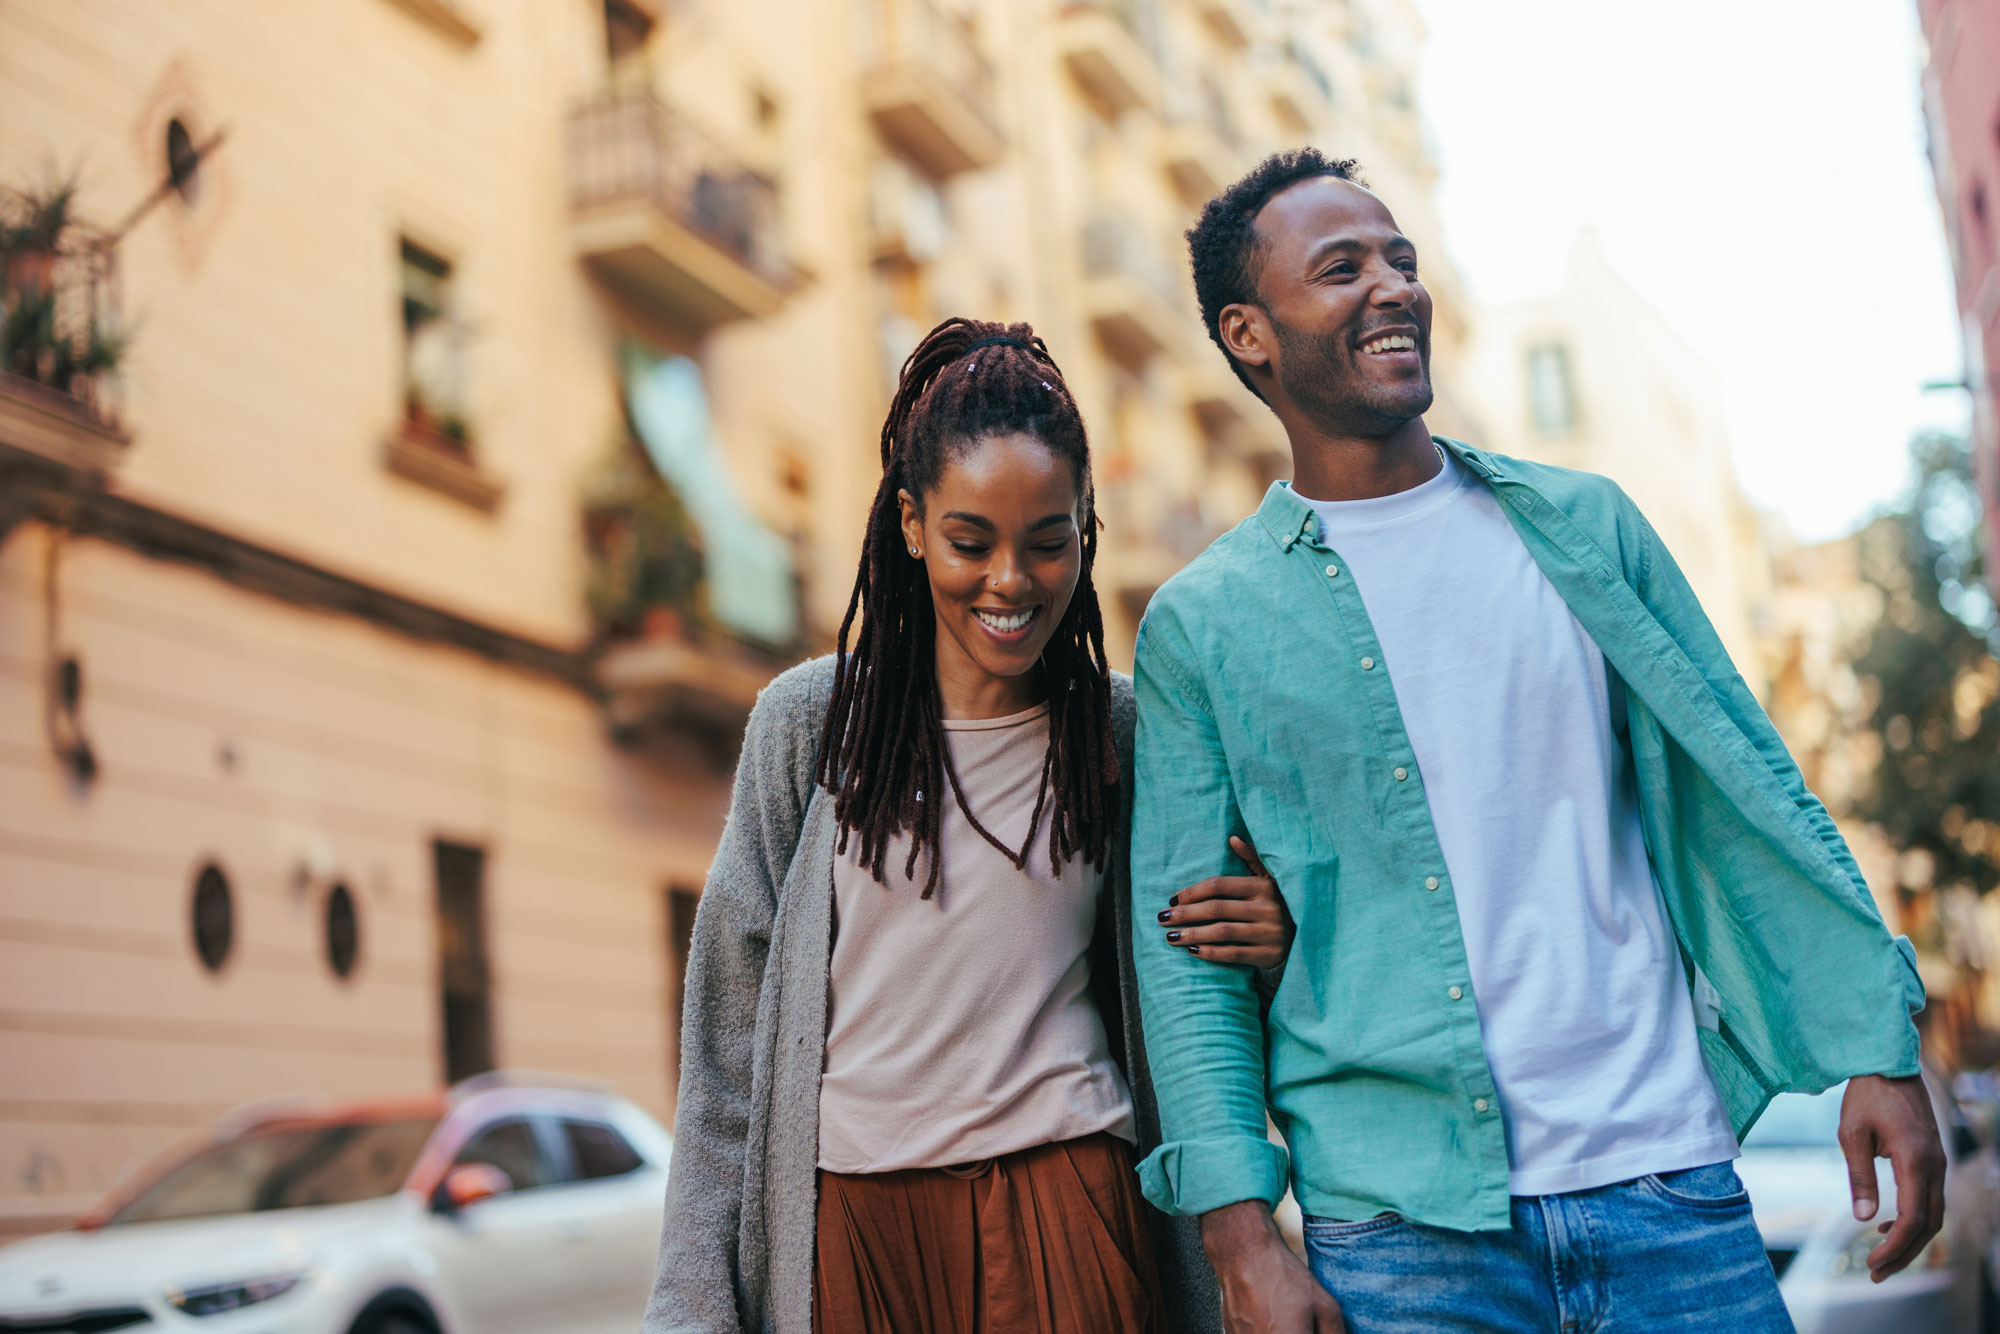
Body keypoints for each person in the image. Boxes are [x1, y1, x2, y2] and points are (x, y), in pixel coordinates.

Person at [1130, 149, 1946, 1334]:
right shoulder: (1203, 625)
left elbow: (1746, 794)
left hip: (1666, 1184)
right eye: (1342, 267)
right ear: (1248, 333)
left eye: (1401, 259)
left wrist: (1877, 1042)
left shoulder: (1586, 531)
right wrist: (1239, 1232)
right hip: (1400, 1233)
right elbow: (1186, 951)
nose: (1393, 286)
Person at [644, 317, 1283, 1333]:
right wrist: (690, 1308)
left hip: (1066, 1200)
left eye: (1046, 541)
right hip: (856, 1227)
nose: (1010, 582)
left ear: (1084, 528)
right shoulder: (810, 725)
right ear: (909, 521)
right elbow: (724, 1059)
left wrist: (1267, 943)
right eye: (968, 540)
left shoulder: (1117, 731)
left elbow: (1187, 980)